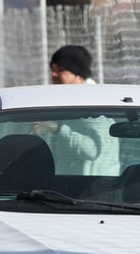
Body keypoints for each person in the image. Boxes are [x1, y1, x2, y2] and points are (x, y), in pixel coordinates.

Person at [34, 45, 120, 175]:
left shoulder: (95, 106)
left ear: (79, 75)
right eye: (52, 70)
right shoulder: (68, 103)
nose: (53, 74)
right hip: (64, 191)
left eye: (61, 70)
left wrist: (57, 128)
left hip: (94, 191)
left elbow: (92, 150)